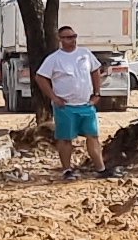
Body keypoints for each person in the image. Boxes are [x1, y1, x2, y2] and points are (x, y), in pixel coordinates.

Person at [36, 28, 106, 176]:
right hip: (65, 107)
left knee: (92, 136)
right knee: (65, 139)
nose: (72, 40)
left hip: (86, 105)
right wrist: (54, 97)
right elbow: (40, 77)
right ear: (60, 39)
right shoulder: (54, 59)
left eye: (74, 36)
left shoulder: (85, 54)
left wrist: (97, 93)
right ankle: (67, 169)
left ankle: (101, 168)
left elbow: (95, 70)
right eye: (67, 37)